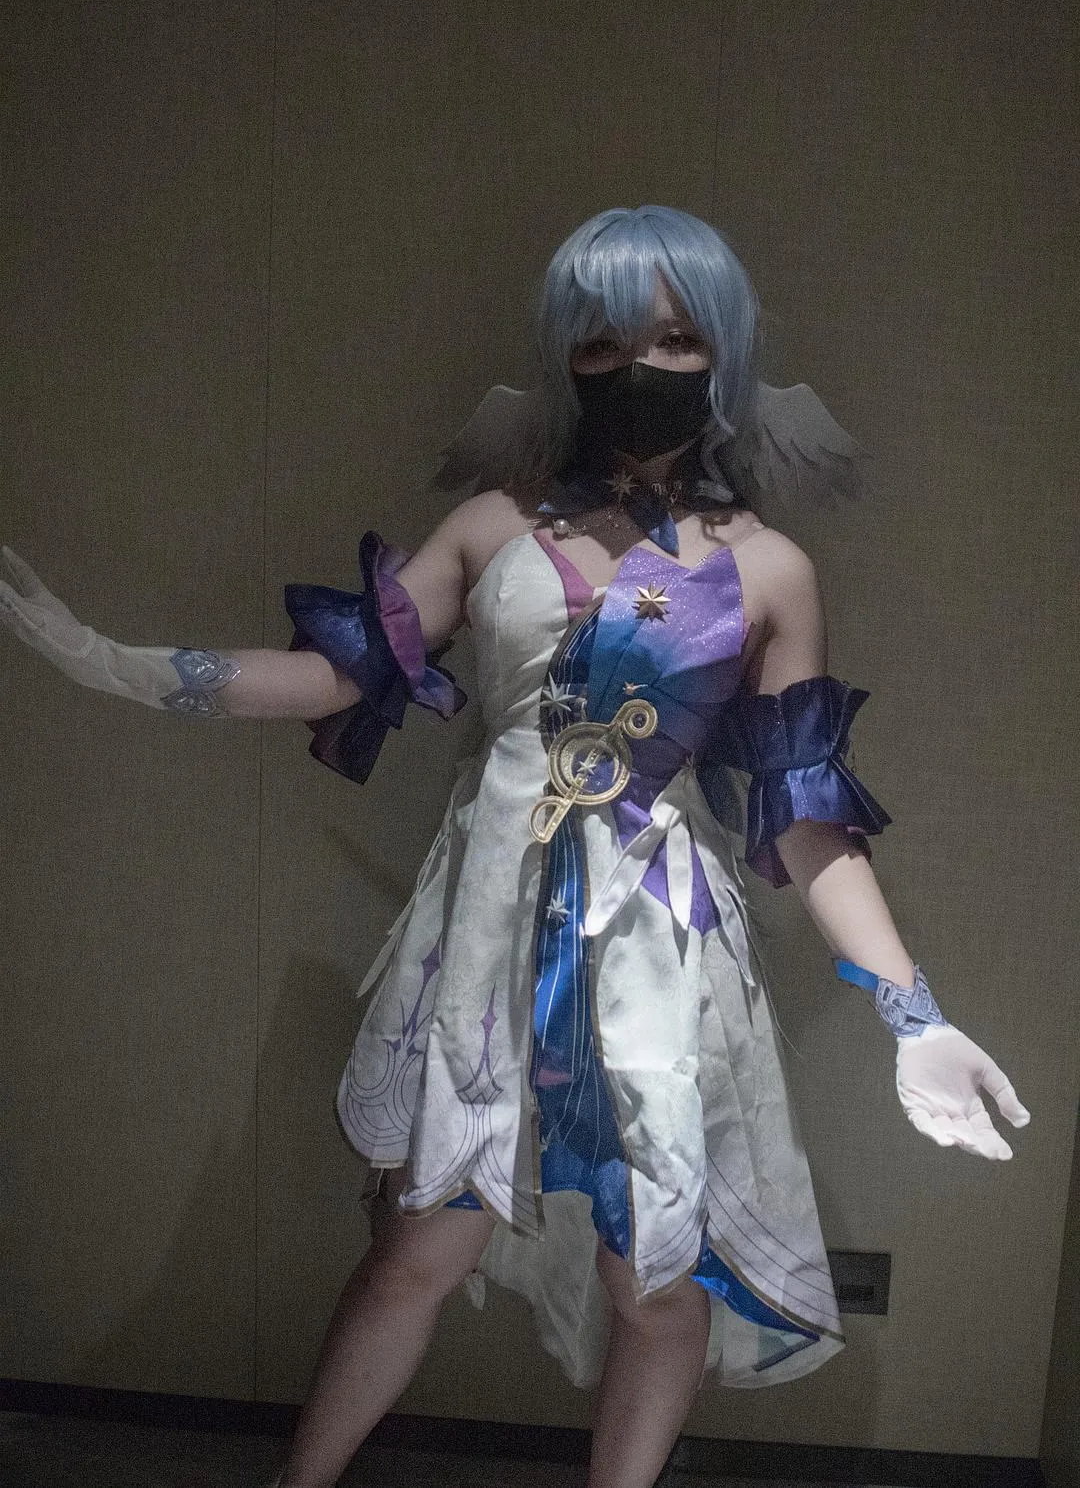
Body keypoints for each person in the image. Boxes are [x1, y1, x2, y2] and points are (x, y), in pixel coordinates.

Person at [0, 205, 1031, 1488]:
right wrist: (117, 663)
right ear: (565, 358)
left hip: (657, 941)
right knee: (419, 1245)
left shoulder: (771, 568)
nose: (639, 367)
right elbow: (337, 676)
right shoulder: (497, 525)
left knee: (653, 1273)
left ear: (724, 351)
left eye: (675, 338)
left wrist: (915, 1015)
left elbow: (807, 817)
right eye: (602, 342)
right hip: (488, 922)